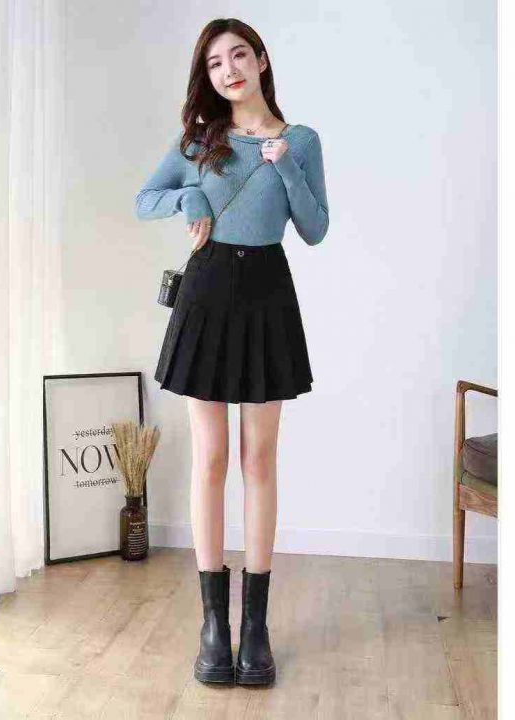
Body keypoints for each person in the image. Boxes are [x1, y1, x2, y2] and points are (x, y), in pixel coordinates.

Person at [135, 17, 329, 686]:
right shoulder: (199, 142)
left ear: (261, 59)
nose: (228, 70)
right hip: (208, 290)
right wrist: (187, 194)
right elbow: (145, 198)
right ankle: (214, 625)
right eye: (215, 63)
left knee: (259, 458)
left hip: (268, 292)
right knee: (212, 457)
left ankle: (256, 627)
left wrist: (285, 165)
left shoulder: (301, 140)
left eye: (238, 55)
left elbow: (315, 228)